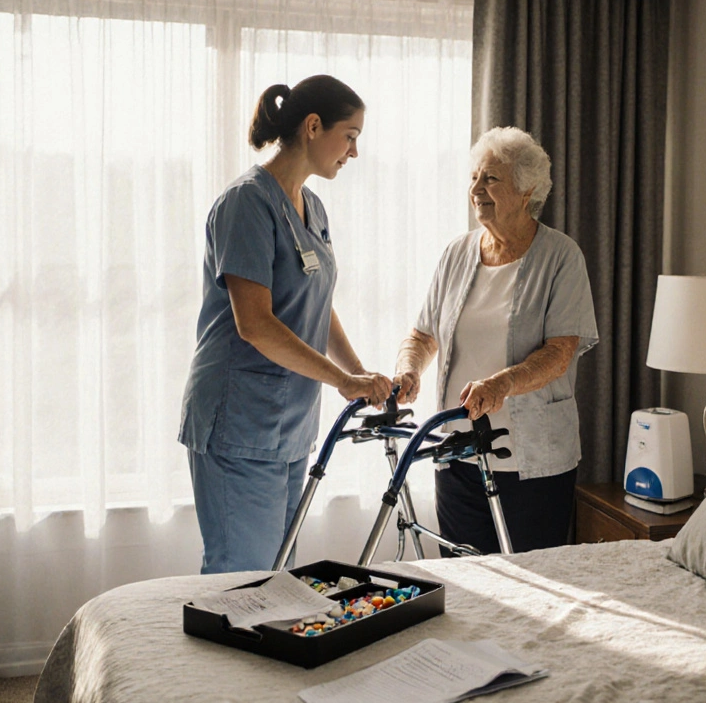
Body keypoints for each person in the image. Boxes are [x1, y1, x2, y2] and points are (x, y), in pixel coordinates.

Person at [179, 75, 391, 574]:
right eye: (351, 136)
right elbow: (255, 324)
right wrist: (343, 381)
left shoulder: (312, 207)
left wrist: (359, 375)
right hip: (239, 421)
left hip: (289, 422)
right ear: (314, 127)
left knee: (275, 578)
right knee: (242, 580)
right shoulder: (246, 203)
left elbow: (317, 302)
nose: (354, 152)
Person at [393, 126, 598, 555]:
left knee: (533, 579)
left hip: (533, 463)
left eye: (491, 179)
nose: (477, 189)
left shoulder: (562, 257)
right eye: (474, 178)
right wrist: (408, 370)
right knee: (464, 576)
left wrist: (500, 385)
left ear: (527, 191)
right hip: (456, 454)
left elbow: (560, 354)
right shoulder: (456, 253)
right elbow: (423, 334)